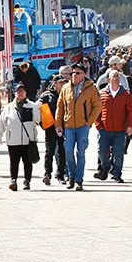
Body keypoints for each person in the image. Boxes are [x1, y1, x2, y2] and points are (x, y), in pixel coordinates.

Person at [55, 63, 102, 191]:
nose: (74, 75)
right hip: (68, 126)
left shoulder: (91, 88)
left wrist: (89, 121)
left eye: (77, 73)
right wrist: (58, 124)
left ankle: (79, 180)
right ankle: (71, 176)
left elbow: (98, 106)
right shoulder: (65, 87)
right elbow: (60, 107)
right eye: (73, 73)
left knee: (81, 153)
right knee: (68, 151)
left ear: (84, 75)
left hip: (83, 126)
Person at [0, 84, 42, 191]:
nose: (20, 93)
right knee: (14, 162)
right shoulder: (9, 107)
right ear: (15, 93)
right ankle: (13, 180)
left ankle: (27, 181)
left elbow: (37, 121)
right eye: (18, 91)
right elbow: (1, 123)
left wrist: (37, 109)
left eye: (22, 91)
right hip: (13, 140)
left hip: (28, 140)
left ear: (25, 93)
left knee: (27, 163)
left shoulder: (32, 106)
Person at [94, 70, 132, 183]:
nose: (117, 78)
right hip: (104, 129)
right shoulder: (102, 93)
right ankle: (107, 167)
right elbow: (97, 110)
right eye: (114, 76)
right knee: (102, 152)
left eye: (118, 76)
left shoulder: (126, 94)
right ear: (108, 79)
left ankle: (117, 174)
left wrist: (130, 126)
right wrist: (98, 125)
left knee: (118, 154)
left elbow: (131, 111)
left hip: (120, 129)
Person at [40, 75, 67, 185]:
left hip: (62, 125)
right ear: (54, 83)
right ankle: (47, 174)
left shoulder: (66, 93)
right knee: (49, 151)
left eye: (62, 82)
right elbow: (40, 108)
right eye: (59, 82)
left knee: (62, 151)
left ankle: (61, 174)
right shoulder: (47, 95)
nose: (61, 84)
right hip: (50, 127)